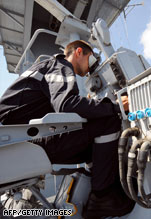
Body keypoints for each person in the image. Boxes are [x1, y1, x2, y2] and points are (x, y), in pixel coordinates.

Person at [0, 40, 135, 218]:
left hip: (15, 143)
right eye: (91, 61)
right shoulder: (60, 65)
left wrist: (89, 105)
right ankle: (102, 197)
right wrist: (116, 106)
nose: (89, 71)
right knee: (108, 121)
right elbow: (66, 104)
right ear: (79, 52)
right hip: (24, 143)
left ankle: (99, 191)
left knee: (92, 147)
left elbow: (62, 106)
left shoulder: (45, 67)